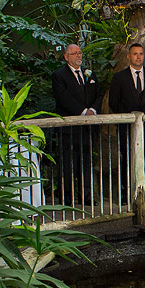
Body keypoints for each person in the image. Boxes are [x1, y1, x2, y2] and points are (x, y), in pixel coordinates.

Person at [107, 42, 145, 203]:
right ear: (128, 57)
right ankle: (127, 192)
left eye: (140, 54)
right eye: (135, 54)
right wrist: (127, 117)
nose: (138, 57)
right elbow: (113, 102)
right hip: (126, 126)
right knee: (127, 158)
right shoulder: (119, 77)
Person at [50, 43, 101, 205]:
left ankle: (86, 196)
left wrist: (93, 109)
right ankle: (67, 198)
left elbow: (98, 94)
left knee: (86, 162)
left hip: (87, 128)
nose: (78, 56)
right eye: (74, 54)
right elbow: (63, 97)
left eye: (79, 53)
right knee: (68, 163)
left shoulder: (89, 73)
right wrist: (83, 111)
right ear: (66, 57)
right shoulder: (59, 75)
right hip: (69, 127)